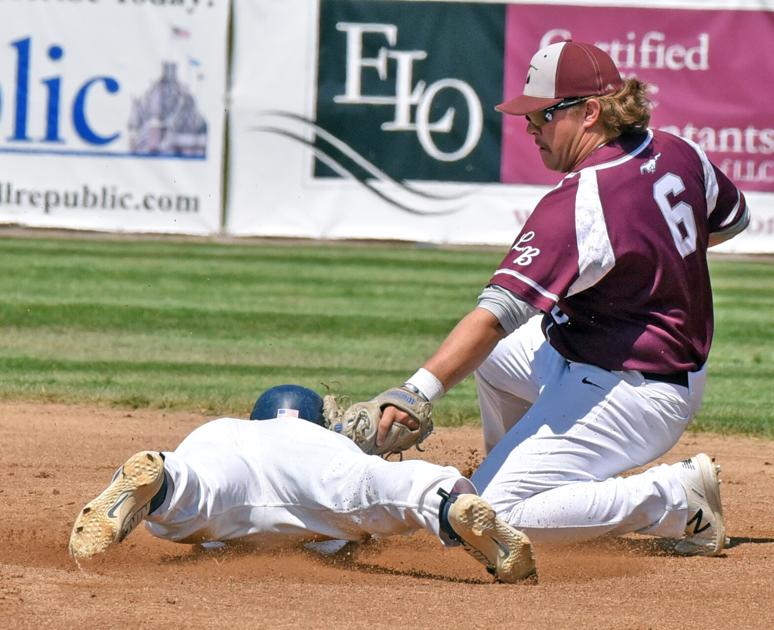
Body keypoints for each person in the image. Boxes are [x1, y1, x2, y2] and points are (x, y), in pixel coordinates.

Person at [371, 40, 749, 556]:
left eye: (543, 116)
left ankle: (670, 499)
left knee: (490, 517)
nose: (530, 129)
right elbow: (731, 221)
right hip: (614, 357)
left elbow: (493, 317)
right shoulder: (679, 150)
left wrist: (414, 392)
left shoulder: (581, 202)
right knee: (495, 363)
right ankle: (513, 469)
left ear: (589, 112)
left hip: (637, 391)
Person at [68, 385, 536, 583]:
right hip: (311, 468)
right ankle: (446, 502)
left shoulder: (229, 430)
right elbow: (352, 527)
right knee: (374, 486)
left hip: (216, 453)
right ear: (318, 419)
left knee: (195, 491)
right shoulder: (319, 437)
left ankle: (160, 484)